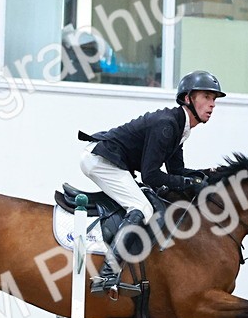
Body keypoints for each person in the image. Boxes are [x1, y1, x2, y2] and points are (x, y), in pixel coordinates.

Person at [79, 69, 226, 295]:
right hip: (101, 160)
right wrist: (191, 183)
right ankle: (107, 274)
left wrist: (206, 174)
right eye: (206, 97)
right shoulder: (167, 125)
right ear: (188, 98)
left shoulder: (180, 128)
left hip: (110, 160)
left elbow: (177, 171)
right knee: (141, 207)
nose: (212, 104)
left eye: (214, 99)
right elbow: (151, 176)